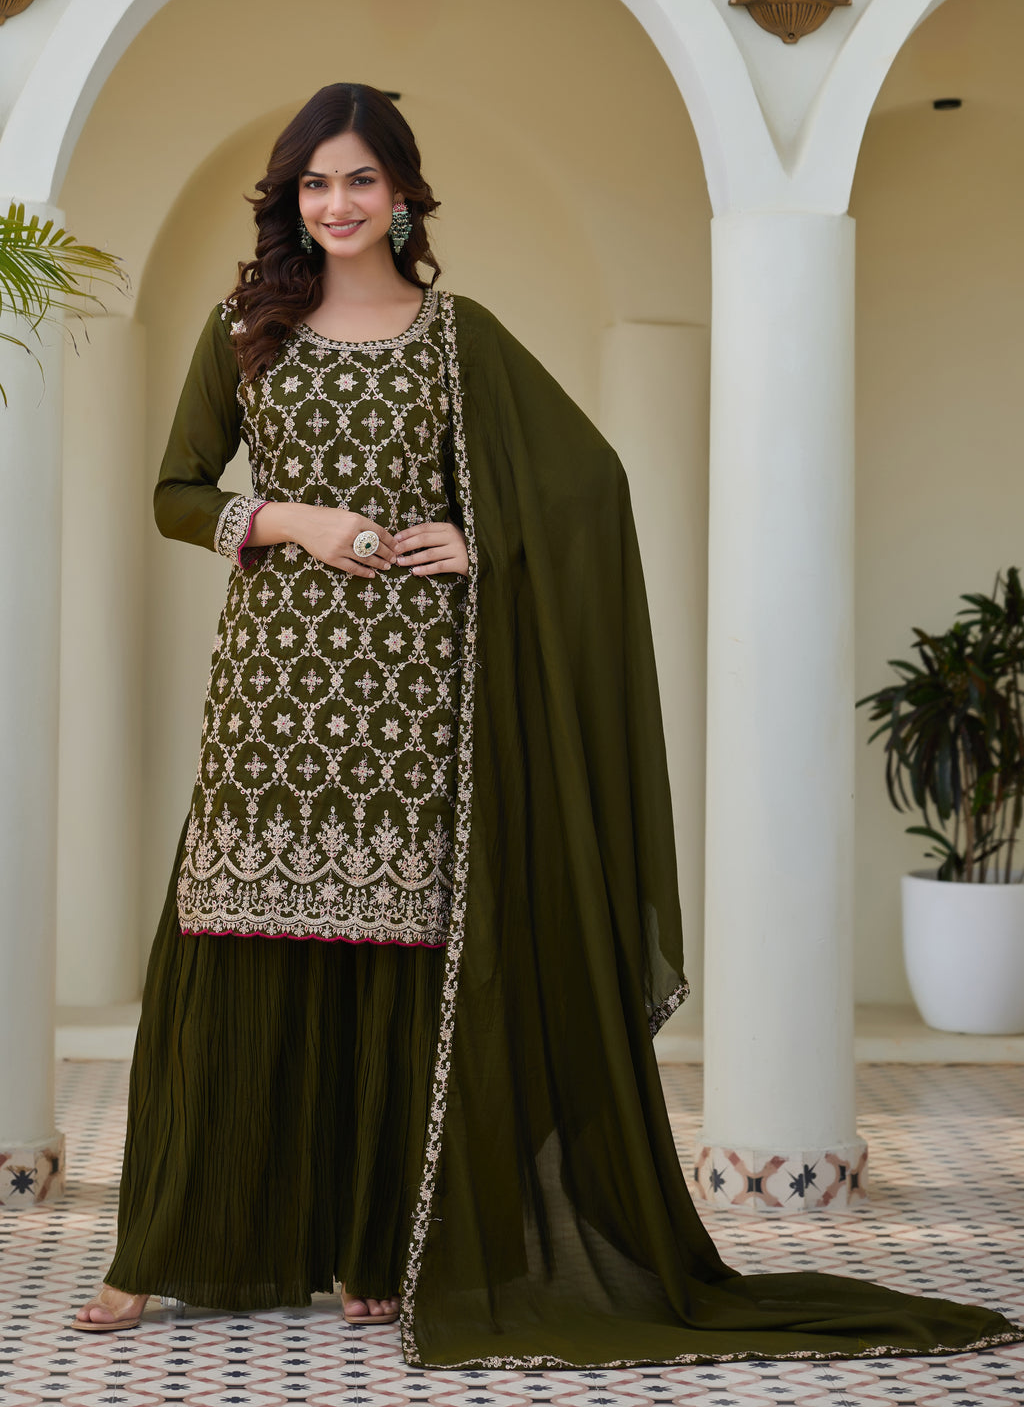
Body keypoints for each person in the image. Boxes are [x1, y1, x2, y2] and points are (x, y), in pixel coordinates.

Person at [73, 84, 1024, 1368]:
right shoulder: (244, 329)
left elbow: (587, 486)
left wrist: (484, 538)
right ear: (290, 200)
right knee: (232, 956)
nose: (337, 204)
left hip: (416, 707)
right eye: (313, 183)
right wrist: (292, 522)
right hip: (271, 700)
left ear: (403, 193)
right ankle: (163, 1255)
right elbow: (179, 493)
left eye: (360, 180)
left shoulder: (459, 338)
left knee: (394, 976)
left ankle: (372, 1252)